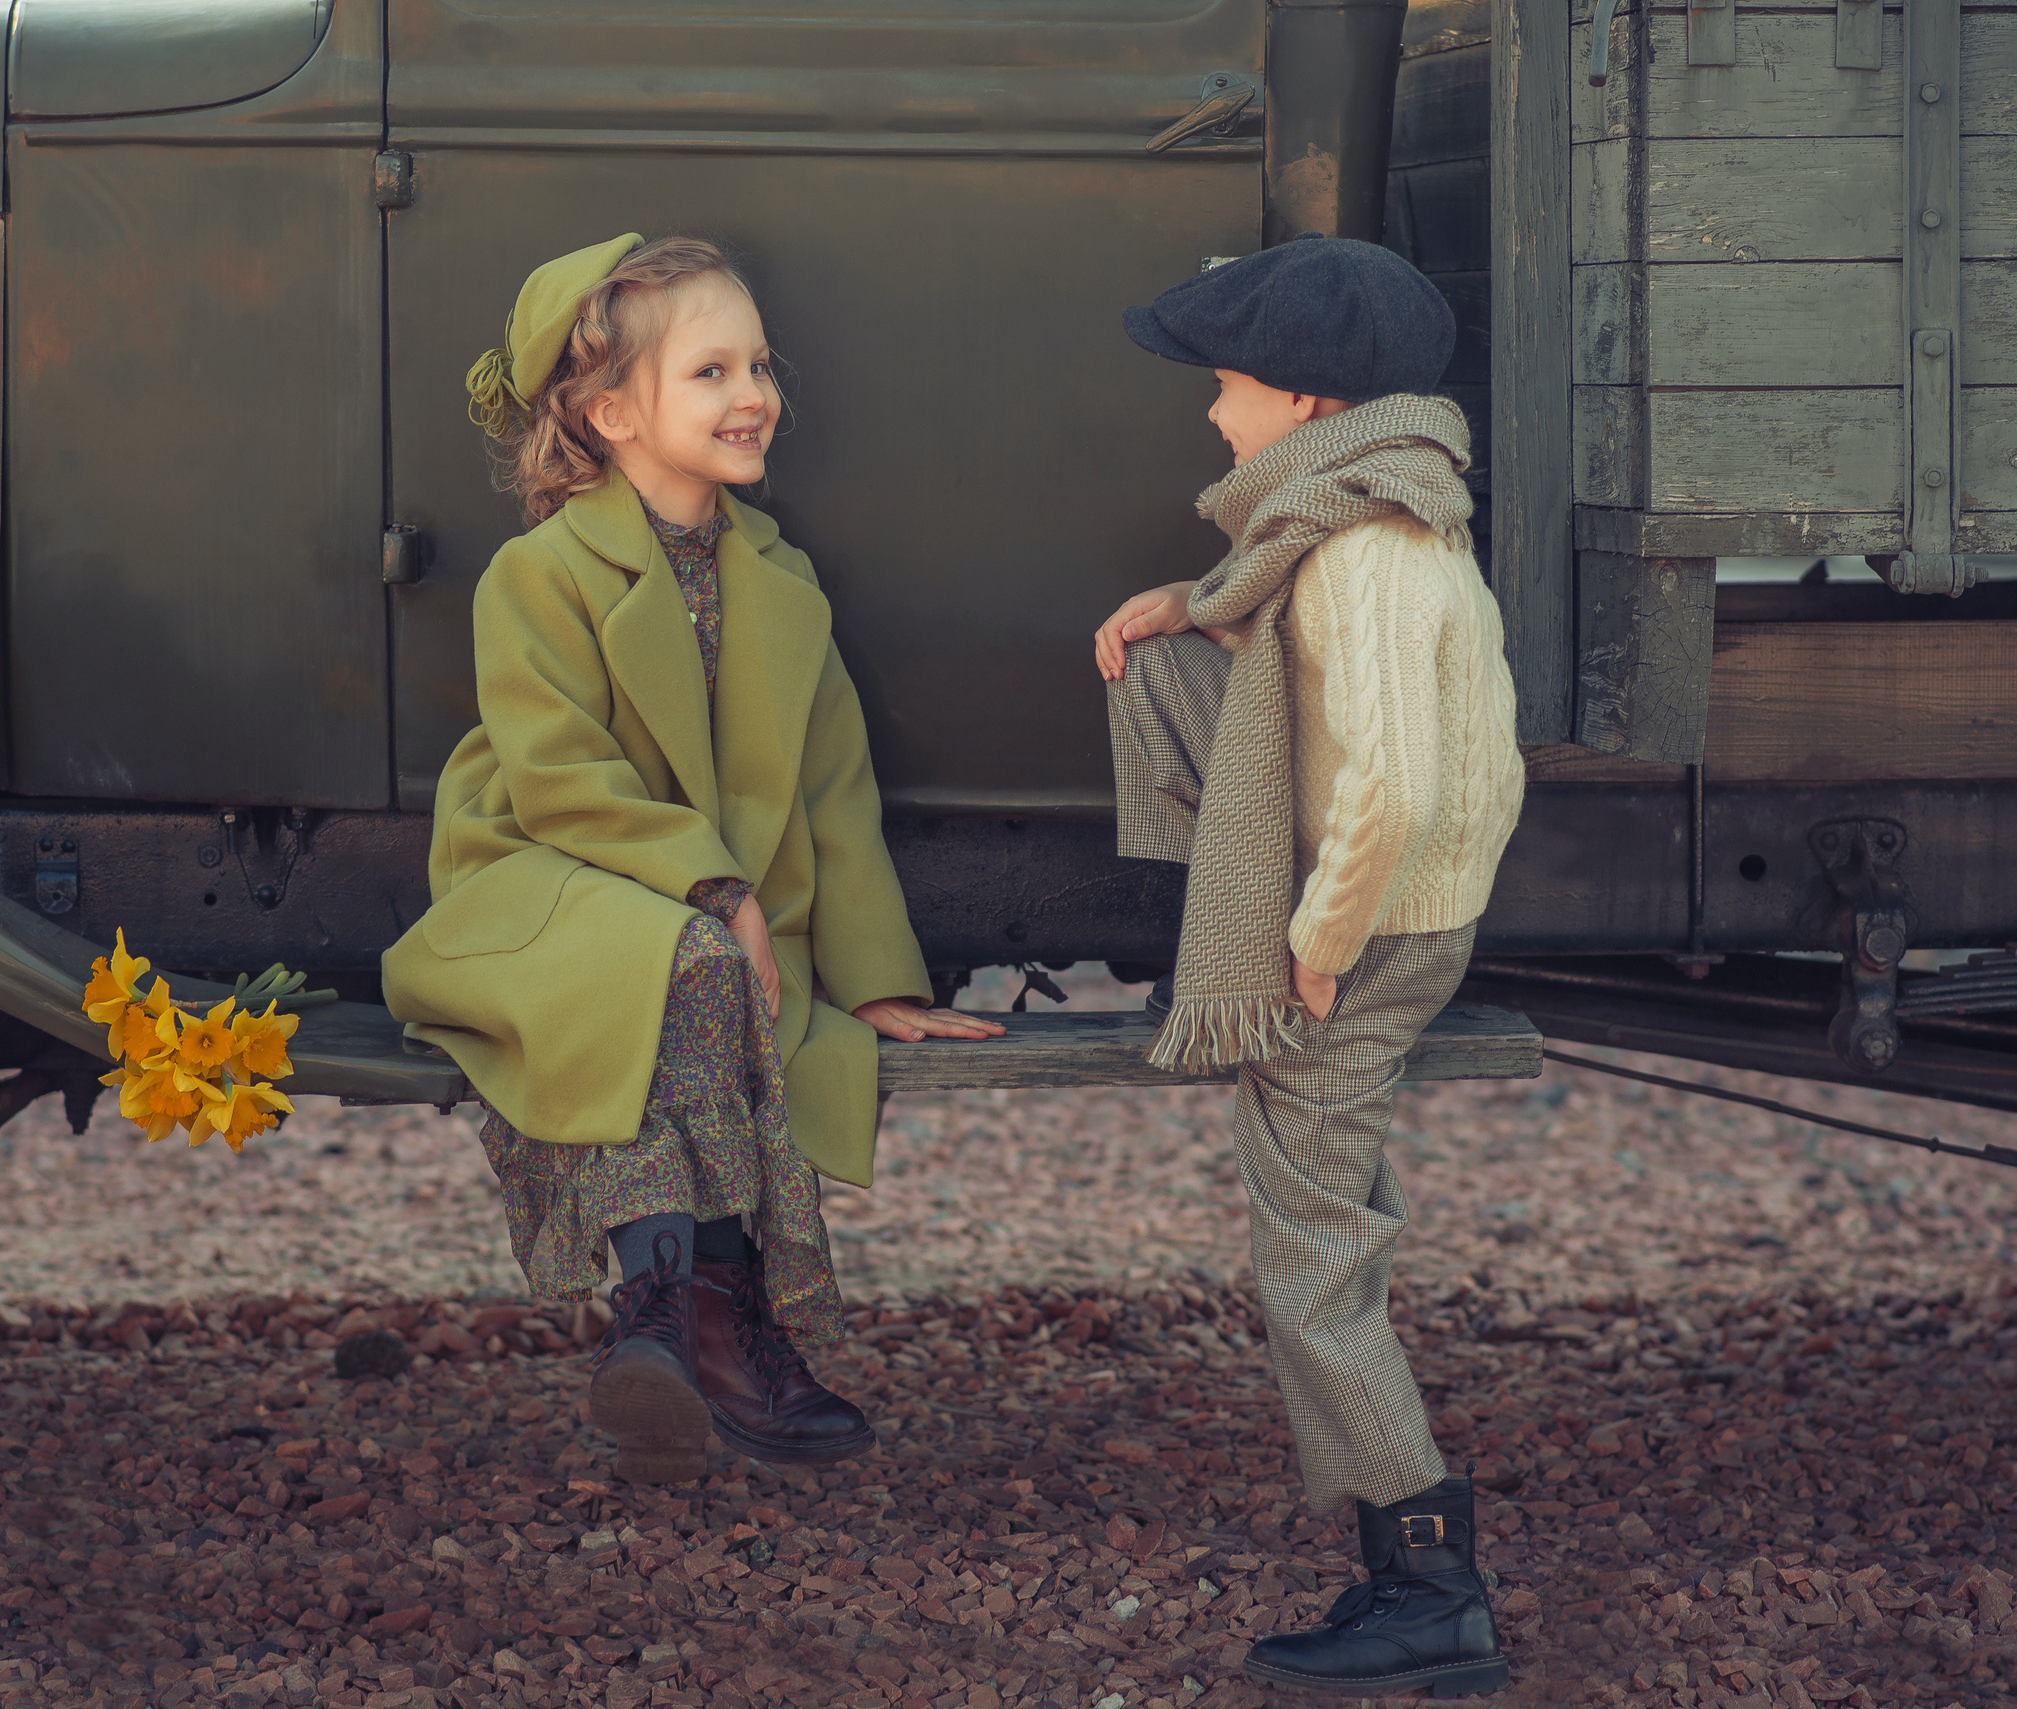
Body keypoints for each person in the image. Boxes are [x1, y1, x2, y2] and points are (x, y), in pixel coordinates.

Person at [383, 234, 1001, 1484]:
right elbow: (558, 775)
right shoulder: (538, 573)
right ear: (612, 412)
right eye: (710, 371)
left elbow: (834, 791)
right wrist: (715, 886)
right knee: (683, 958)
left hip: (687, 905)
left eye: (759, 364)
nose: (753, 395)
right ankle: (694, 1310)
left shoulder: (780, 579)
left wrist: (878, 975)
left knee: (704, 968)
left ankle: (682, 1320)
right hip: (545, 869)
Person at [1093, 233, 1526, 1698]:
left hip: (1375, 930)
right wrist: (1189, 608)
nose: (1214, 416)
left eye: (1228, 388)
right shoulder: (1383, 513)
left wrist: (1313, 951)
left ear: (1305, 408)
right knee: (1161, 661)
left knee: (1313, 1258)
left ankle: (1428, 1587)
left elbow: (1392, 789)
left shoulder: (1361, 565)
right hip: (1411, 917)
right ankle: (1205, 958)